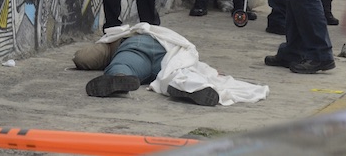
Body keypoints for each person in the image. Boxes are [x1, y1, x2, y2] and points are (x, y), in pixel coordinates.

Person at [74, 22, 269, 105]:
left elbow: (84, 58)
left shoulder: (119, 37)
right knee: (176, 71)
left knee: (123, 66)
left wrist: (101, 49)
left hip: (136, 48)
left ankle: (118, 79)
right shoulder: (159, 32)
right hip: (169, 51)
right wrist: (207, 70)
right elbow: (186, 54)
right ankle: (188, 87)